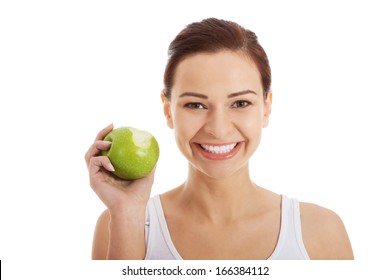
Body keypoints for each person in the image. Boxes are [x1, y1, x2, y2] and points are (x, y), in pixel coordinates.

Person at [85, 18, 354, 260]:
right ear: (168, 110)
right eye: (196, 105)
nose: (218, 129)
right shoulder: (118, 224)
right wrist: (127, 215)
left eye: (240, 103)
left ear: (266, 107)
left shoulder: (321, 233)